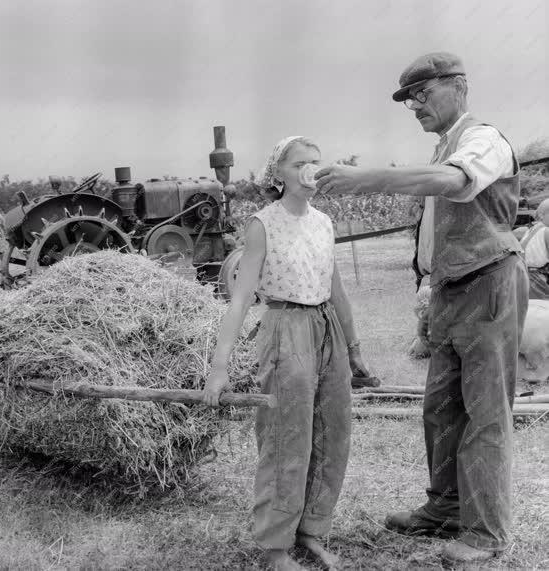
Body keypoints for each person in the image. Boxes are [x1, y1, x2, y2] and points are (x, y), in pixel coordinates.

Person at [315, 52, 529, 565]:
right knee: (441, 408)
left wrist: (366, 178)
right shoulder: (443, 145)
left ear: (459, 86)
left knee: (485, 415)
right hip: (452, 290)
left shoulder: (483, 139)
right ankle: (446, 508)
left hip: (490, 282)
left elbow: (455, 182)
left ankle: (484, 534)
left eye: (422, 93)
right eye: (408, 98)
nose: (414, 105)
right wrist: (430, 292)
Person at [203, 136, 369, 570]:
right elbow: (240, 299)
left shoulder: (324, 222)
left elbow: (335, 287)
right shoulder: (263, 223)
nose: (310, 170)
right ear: (278, 174)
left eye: (316, 162)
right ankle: (276, 547)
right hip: (284, 327)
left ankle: (310, 531)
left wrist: (353, 349)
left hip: (325, 325)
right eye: (299, 164)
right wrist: (218, 368)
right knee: (284, 436)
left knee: (331, 431)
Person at [516, 198, 549, 299]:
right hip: (536, 279)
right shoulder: (546, 231)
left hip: (522, 276)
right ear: (542, 215)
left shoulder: (531, 229)